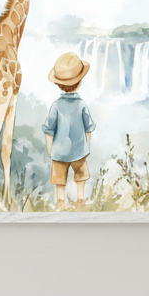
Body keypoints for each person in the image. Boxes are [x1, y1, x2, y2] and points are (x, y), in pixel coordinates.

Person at [42, 52, 96, 211]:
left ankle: (60, 203)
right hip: (80, 151)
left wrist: (51, 150)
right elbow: (89, 129)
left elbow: (48, 130)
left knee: (59, 180)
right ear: (79, 83)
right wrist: (86, 147)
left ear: (58, 84)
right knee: (80, 178)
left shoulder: (55, 106)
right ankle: (81, 201)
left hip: (59, 152)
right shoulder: (82, 105)